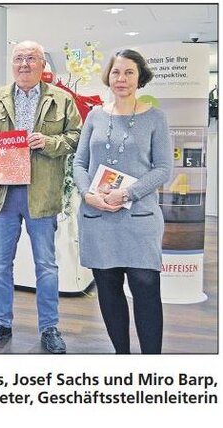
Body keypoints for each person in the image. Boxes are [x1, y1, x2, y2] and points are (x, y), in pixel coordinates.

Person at [0, 40, 82, 353]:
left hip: (42, 195)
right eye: (19, 58)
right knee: (0, 264)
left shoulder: (62, 100)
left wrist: (49, 142)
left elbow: (77, 137)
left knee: (46, 265)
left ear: (42, 64)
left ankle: (49, 328)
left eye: (31, 58)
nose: (24, 64)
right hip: (3, 195)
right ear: (12, 64)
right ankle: (1, 323)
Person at [72, 49, 172, 354]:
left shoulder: (155, 118)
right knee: (108, 290)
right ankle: (122, 357)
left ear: (140, 77)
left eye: (129, 72)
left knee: (146, 289)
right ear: (108, 76)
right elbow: (79, 162)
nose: (122, 78)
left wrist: (127, 193)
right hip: (98, 219)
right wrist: (87, 193)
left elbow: (163, 169)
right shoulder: (95, 116)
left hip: (139, 220)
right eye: (116, 72)